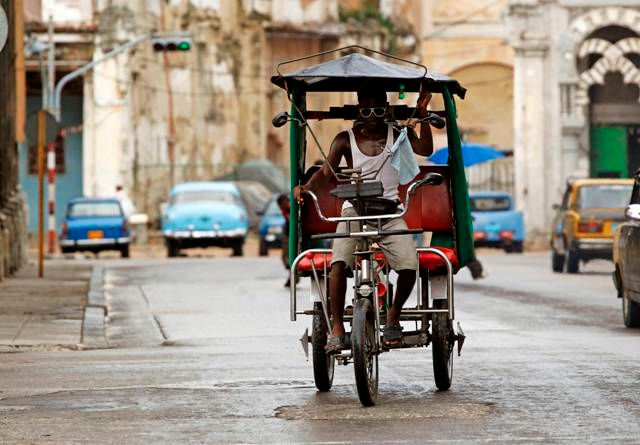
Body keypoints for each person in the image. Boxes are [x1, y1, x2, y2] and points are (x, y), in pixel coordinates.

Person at [294, 87, 434, 351]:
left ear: (387, 110)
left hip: (390, 210)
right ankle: (337, 326)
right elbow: (326, 173)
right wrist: (306, 188)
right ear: (359, 112)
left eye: (379, 110)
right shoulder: (343, 139)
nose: (373, 117)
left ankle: (393, 314)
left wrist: (423, 113)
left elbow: (426, 148)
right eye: (367, 111)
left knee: (408, 265)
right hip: (354, 210)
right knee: (337, 264)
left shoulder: (400, 134)